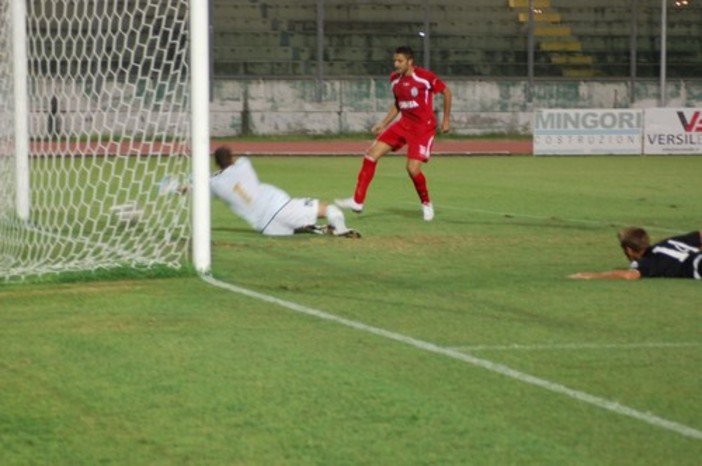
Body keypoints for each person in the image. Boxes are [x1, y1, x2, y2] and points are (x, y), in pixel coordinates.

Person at [335, 46, 452, 222]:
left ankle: (426, 203)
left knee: (412, 169)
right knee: (371, 155)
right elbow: (399, 103)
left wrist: (446, 120)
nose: (396, 64)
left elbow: (446, 92)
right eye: (395, 61)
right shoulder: (394, 79)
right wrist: (384, 123)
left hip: (422, 128)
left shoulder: (424, 77)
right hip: (404, 124)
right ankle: (358, 201)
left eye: (400, 61)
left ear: (410, 61)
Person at [189, 146, 360, 238]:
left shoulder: (214, 184)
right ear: (232, 157)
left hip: (267, 227)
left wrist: (190, 182)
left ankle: (314, 228)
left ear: (216, 164)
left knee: (295, 226)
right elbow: (231, 169)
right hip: (281, 207)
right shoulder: (243, 164)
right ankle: (342, 229)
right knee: (328, 209)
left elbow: (202, 186)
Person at [569, 227, 702, 280]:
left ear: (629, 250)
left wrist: (593, 275)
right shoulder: (670, 241)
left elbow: (630, 275)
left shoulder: (648, 261)